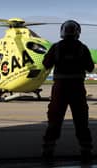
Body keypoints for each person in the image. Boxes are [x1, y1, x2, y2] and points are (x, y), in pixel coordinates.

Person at [42, 20, 94, 161]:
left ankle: (48, 149)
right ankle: (86, 150)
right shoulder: (82, 48)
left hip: (60, 88)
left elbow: (46, 64)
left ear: (62, 31)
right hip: (77, 88)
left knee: (54, 120)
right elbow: (90, 67)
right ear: (78, 32)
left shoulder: (56, 47)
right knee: (81, 120)